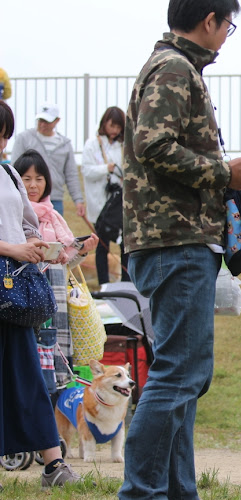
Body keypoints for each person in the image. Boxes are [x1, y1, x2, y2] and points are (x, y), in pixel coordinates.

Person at [118, 2, 241, 498]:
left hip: (175, 240)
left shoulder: (173, 66)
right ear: (210, 19)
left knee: (180, 382)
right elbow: (152, 145)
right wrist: (226, 172)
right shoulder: (174, 68)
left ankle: (179, 492)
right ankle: (141, 493)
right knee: (178, 377)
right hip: (174, 241)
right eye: (229, 24)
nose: (228, 34)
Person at [0, 100, 81, 488]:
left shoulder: (10, 174)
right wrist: (13, 248)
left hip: (14, 289)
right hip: (7, 271)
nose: (1, 142)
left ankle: (53, 463)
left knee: (28, 374)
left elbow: (27, 223)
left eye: (3, 135)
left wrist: (34, 244)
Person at [14, 149, 99, 393]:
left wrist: (82, 251)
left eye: (39, 179)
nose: (33, 185)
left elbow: (64, 264)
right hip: (24, 299)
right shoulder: (12, 214)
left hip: (54, 300)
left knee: (53, 361)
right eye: (26, 179)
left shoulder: (54, 217)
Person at [81, 106, 130, 284]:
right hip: (100, 204)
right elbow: (86, 171)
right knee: (102, 246)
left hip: (119, 205)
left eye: (118, 127)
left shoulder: (124, 146)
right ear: (104, 123)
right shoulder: (92, 144)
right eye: (112, 126)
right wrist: (106, 169)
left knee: (125, 245)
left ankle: (126, 284)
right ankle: (103, 285)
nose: (115, 131)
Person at [11, 102, 85, 217]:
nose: (42, 124)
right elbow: (14, 170)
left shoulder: (65, 144)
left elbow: (71, 175)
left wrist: (78, 200)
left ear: (57, 121)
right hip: (27, 198)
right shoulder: (24, 139)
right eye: (40, 120)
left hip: (55, 199)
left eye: (47, 121)